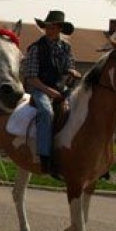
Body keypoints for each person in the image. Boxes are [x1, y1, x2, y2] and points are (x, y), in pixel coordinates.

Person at [23, 10, 80, 176]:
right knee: (46, 112)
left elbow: (69, 65)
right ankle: (44, 156)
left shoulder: (66, 48)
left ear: (60, 29)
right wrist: (48, 91)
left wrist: (72, 71)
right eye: (47, 27)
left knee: (81, 108)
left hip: (61, 88)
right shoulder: (36, 48)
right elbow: (31, 78)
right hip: (40, 88)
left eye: (52, 27)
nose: (48, 30)